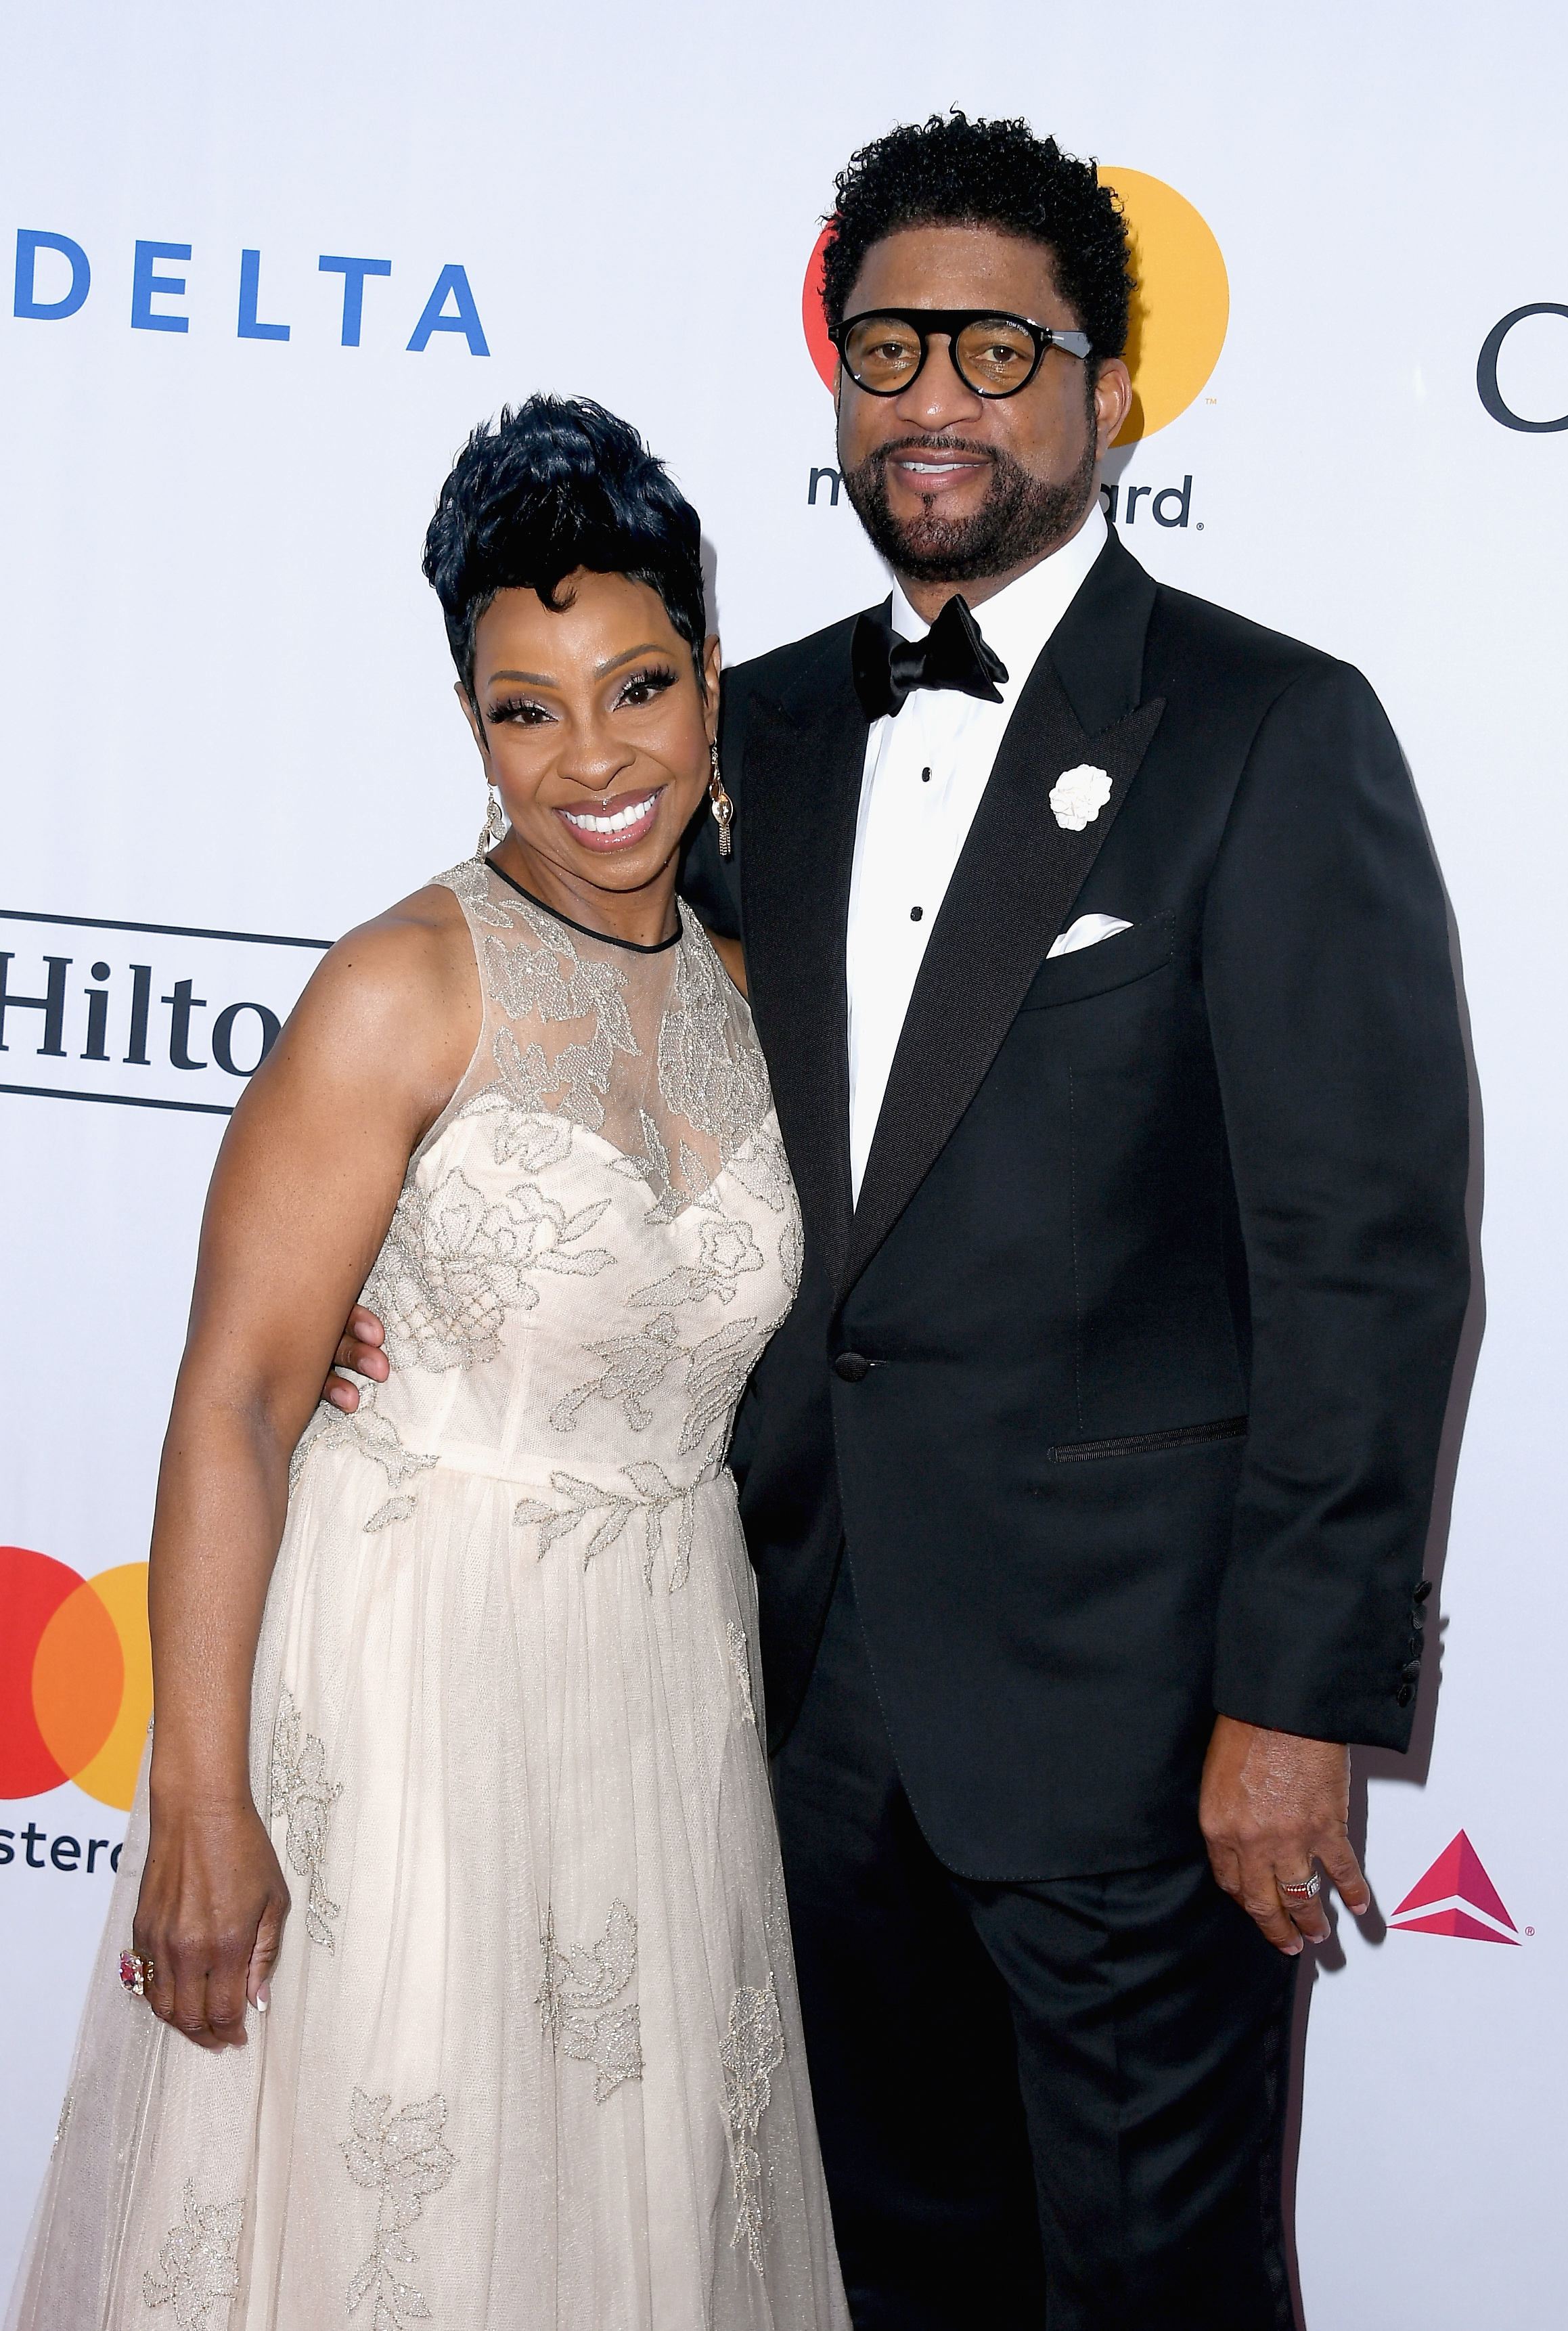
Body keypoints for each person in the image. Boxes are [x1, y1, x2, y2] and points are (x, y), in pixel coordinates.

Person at [328, 113, 1471, 2329]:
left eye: (990, 346)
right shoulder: (740, 733)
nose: (930, 395)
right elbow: (560, 1013)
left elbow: (1373, 1258)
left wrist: (1298, 1699)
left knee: (1158, 2288)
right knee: (876, 2277)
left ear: (1107, 391)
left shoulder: (1268, 733)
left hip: (1142, 1736)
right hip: (786, 1701)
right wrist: (407, 1269)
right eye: (883, 346)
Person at [8, 397, 847, 2331]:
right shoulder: (401, 984)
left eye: (636, 684)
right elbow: (235, 1397)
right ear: (469, 723)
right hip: (406, 1703)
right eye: (524, 707)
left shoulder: (749, 997)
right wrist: (202, 1801)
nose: (592, 757)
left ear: (713, 677)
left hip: (661, 1695)